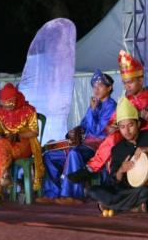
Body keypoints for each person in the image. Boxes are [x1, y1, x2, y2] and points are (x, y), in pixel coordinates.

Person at [68, 50, 148, 182]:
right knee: (112, 138)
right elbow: (113, 121)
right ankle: (95, 172)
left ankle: (94, 172)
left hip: (145, 137)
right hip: (127, 136)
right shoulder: (125, 100)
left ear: (141, 80)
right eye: (125, 83)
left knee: (113, 140)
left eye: (131, 82)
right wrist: (110, 127)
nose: (127, 86)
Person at [88, 97, 148, 216]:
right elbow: (113, 181)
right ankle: (132, 206)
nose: (127, 131)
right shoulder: (118, 149)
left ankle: (115, 205)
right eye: (122, 127)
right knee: (93, 190)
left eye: (130, 125)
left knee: (147, 192)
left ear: (138, 123)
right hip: (129, 191)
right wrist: (121, 170)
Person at [38, 70, 117, 204]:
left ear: (109, 88)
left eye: (100, 85)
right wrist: (73, 132)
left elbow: (97, 131)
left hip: (98, 147)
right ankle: (51, 193)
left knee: (74, 153)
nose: (96, 89)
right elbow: (84, 125)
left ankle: (72, 195)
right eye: (94, 86)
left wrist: (92, 110)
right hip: (83, 144)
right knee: (49, 155)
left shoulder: (112, 106)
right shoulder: (94, 104)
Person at [0, 83, 44, 206]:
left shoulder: (29, 110)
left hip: (24, 144)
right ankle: (3, 180)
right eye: (4, 105)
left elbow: (34, 132)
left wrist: (17, 135)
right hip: (6, 144)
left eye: (10, 104)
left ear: (15, 99)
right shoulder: (1, 112)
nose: (7, 108)